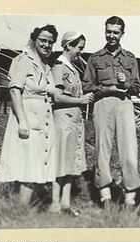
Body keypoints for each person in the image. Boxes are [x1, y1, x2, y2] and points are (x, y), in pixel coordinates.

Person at [82, 16, 140, 209]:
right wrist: (105, 90)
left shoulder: (130, 58)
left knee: (129, 150)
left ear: (122, 33)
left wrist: (126, 83)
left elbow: (137, 87)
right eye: (109, 31)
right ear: (105, 31)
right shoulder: (95, 58)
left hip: (124, 104)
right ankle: (105, 194)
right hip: (103, 104)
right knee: (102, 149)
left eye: (116, 32)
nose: (111, 35)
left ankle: (130, 197)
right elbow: (87, 85)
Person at [0, 24, 59, 205]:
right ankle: (20, 210)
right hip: (27, 119)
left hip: (43, 120)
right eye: (43, 41)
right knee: (28, 165)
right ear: (34, 40)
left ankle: (23, 208)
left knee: (35, 165)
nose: (47, 45)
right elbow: (15, 91)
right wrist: (22, 121)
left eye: (50, 42)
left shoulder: (46, 65)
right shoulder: (24, 60)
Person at [49, 32, 94, 216]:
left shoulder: (73, 69)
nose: (80, 52)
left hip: (73, 120)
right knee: (59, 162)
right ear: (68, 46)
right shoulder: (59, 67)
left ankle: (66, 203)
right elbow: (57, 96)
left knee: (70, 163)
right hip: (62, 119)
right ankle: (54, 203)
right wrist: (81, 101)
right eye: (79, 48)